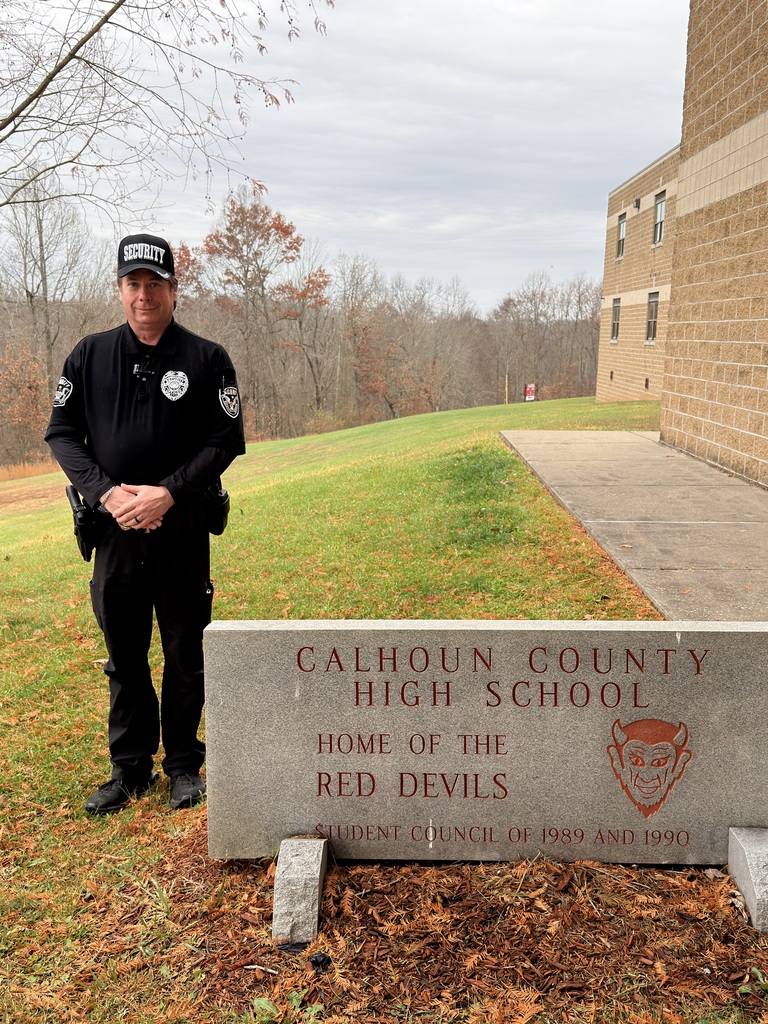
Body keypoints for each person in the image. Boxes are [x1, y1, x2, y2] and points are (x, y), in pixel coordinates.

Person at [45, 233, 245, 815]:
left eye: (154, 284)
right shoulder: (88, 355)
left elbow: (225, 439)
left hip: (180, 531)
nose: (143, 295)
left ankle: (183, 764)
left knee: (186, 651)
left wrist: (168, 493)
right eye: (132, 284)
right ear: (120, 289)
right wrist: (107, 495)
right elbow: (61, 433)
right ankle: (130, 769)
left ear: (173, 291)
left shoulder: (207, 359)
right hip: (112, 534)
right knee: (125, 655)